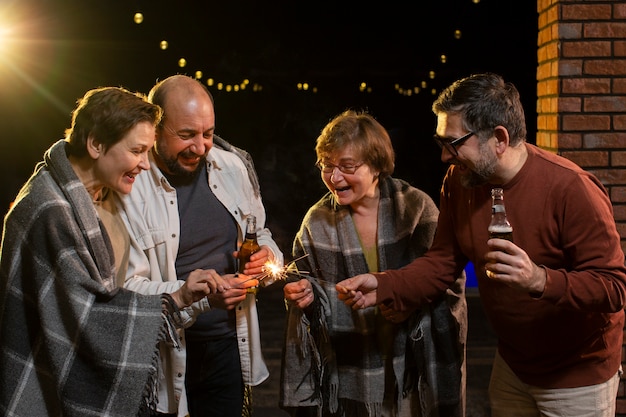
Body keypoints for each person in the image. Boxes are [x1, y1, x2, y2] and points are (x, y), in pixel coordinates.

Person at [336, 73, 626, 417]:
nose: (445, 156)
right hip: (512, 364)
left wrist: (539, 279)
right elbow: (442, 262)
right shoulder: (461, 181)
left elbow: (613, 288)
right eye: (441, 142)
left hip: (576, 375)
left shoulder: (572, 188)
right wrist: (384, 284)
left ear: (499, 139)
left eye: (454, 143)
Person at [0, 86, 231, 416]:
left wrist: (183, 294)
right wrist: (176, 298)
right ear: (96, 144)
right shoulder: (49, 211)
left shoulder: (101, 196)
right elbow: (85, 319)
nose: (145, 164)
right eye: (137, 151)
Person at [279, 110, 467, 417]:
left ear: (376, 165)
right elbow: (305, 282)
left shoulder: (416, 209)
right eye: (327, 166)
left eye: (347, 166)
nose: (334, 177)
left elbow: (448, 278)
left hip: (411, 369)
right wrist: (306, 295)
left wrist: (408, 300)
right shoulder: (317, 221)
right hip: (349, 369)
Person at [119, 74, 283, 417]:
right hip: (164, 353)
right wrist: (198, 299)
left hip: (228, 345)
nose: (201, 146)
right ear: (154, 128)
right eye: (186, 135)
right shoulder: (130, 184)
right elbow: (126, 288)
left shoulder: (233, 167)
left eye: (208, 133)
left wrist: (267, 258)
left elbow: (261, 231)